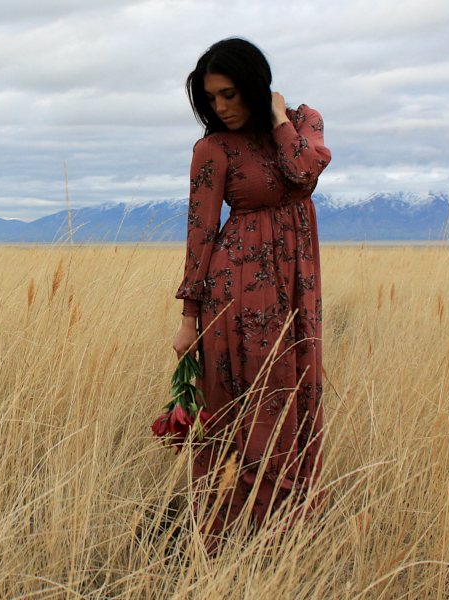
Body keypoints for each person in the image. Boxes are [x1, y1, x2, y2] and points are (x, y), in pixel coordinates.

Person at [171, 37, 331, 556]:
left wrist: (278, 116)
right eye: (211, 98)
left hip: (296, 290)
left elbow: (304, 173)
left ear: (256, 86)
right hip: (236, 292)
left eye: (231, 94)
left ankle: (286, 536)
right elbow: (200, 232)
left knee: (298, 393)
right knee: (247, 403)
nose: (220, 108)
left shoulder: (303, 123)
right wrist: (189, 318)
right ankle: (226, 540)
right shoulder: (212, 149)